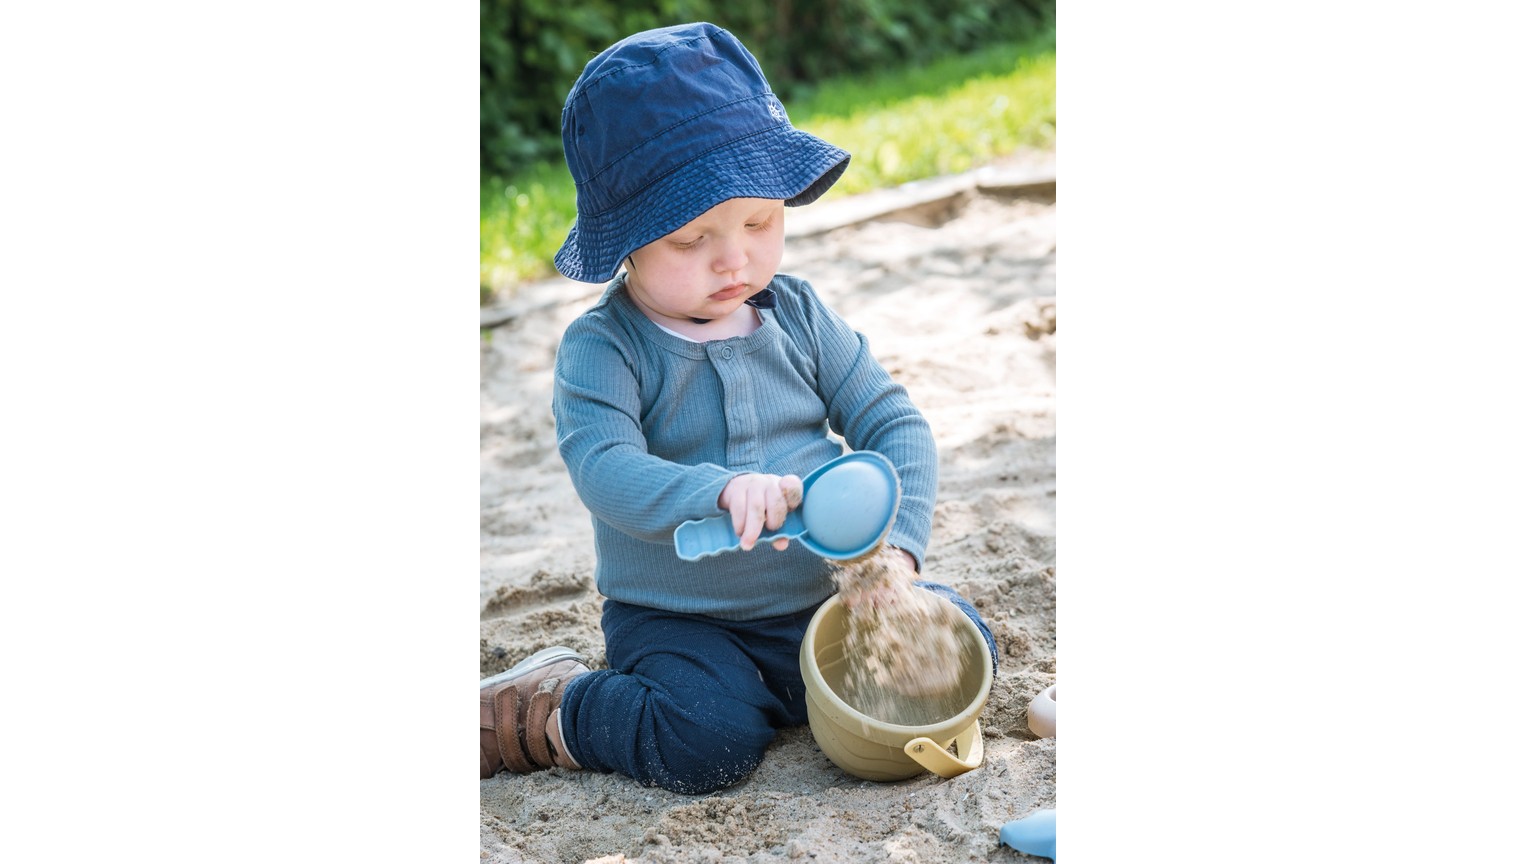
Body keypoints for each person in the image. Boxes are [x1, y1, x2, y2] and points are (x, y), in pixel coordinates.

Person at [480, 21, 998, 794]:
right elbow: (604, 469)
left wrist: (902, 554)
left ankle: (800, 681)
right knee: (705, 744)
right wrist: (717, 489)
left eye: (760, 222)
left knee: (962, 642)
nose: (735, 259)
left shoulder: (795, 314)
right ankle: (557, 710)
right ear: (626, 241)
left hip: (824, 593)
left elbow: (894, 423)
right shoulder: (606, 347)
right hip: (682, 620)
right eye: (692, 239)